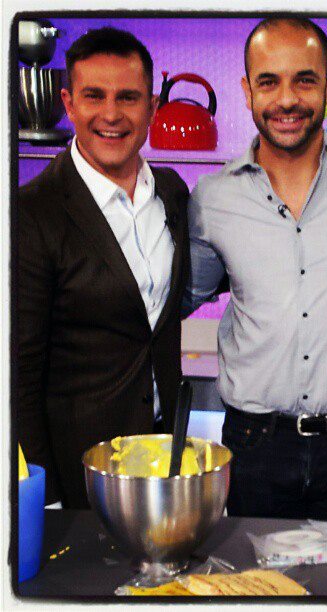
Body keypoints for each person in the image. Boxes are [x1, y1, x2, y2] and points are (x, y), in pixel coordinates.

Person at [184, 16, 327, 520]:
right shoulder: (213, 197)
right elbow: (180, 297)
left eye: (304, 80)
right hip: (253, 443)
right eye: (269, 82)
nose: (287, 100)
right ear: (247, 91)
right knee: (249, 570)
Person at [17, 27, 190, 508]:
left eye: (128, 97)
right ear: (69, 104)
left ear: (152, 107)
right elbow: (18, 376)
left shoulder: (173, 193)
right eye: (94, 96)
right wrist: (43, 498)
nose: (111, 115)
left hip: (165, 459)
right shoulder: (31, 213)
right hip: (78, 476)